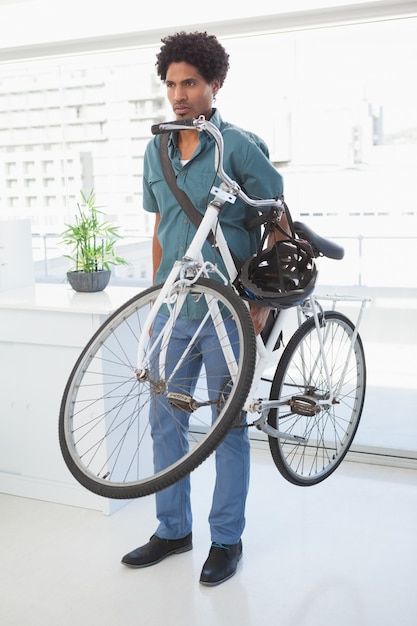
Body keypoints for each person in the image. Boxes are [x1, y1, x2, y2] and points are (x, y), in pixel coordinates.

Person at [121, 31, 286, 586]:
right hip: (175, 310)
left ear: (215, 83)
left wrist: (259, 300)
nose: (178, 95)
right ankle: (173, 530)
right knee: (165, 421)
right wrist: (155, 293)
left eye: (189, 83)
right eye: (171, 84)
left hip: (228, 312)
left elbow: (279, 220)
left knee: (227, 425)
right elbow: (161, 229)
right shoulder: (155, 148)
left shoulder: (238, 145)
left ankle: (226, 538)